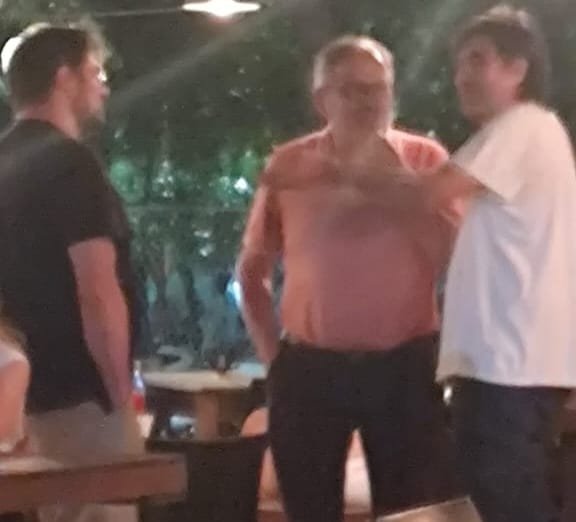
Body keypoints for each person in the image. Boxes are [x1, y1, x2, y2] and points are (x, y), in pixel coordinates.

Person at [237, 35, 458, 522]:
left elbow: (458, 263)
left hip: (403, 367)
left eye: (378, 88)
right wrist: (277, 363)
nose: (368, 101)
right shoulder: (291, 166)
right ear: (322, 100)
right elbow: (252, 274)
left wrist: (398, 187)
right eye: (352, 90)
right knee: (308, 509)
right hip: (310, 369)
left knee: (410, 513)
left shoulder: (425, 161)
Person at [425, 6, 576, 522]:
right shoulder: (528, 133)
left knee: (507, 502)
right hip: (507, 363)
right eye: (459, 64)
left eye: (477, 60)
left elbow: (430, 192)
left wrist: (351, 169)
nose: (461, 77)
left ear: (518, 69)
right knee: (502, 496)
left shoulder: (522, 125)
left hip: (508, 366)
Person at [0, 24, 143, 522]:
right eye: (94, 72)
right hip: (81, 397)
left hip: (19, 396)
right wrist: (119, 396)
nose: (103, 85)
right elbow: (97, 290)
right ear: (64, 78)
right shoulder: (72, 165)